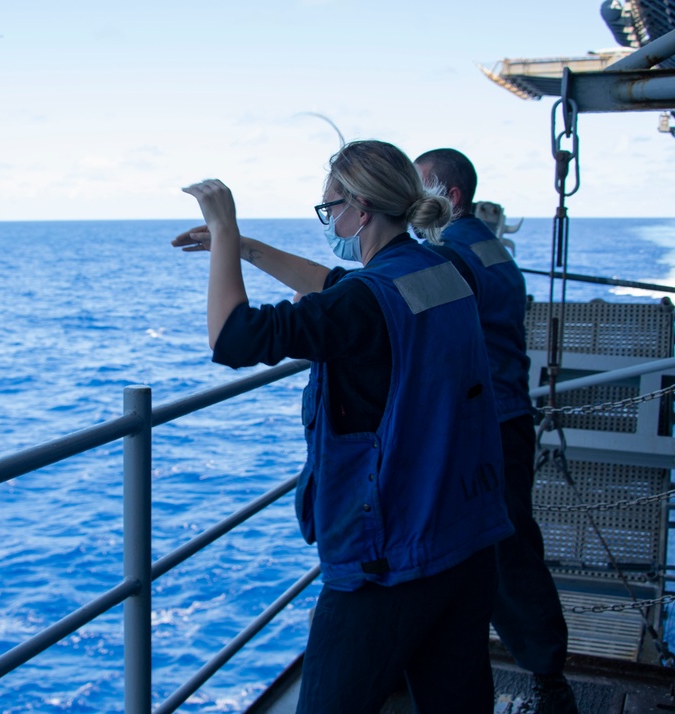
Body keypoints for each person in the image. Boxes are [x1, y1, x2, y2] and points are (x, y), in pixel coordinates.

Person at [176, 140, 514, 713]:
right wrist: (251, 250)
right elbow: (339, 287)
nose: (328, 220)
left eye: (329, 207)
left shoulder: (366, 303)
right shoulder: (443, 270)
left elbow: (232, 338)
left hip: (390, 563)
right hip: (465, 539)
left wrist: (226, 231)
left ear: (360, 208)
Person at [414, 149, 578, 714]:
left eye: (419, 190)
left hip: (487, 420)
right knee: (506, 547)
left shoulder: (454, 254)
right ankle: (541, 672)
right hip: (503, 414)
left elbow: (404, 305)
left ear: (449, 196)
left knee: (506, 552)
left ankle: (547, 682)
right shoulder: (487, 244)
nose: (411, 205)